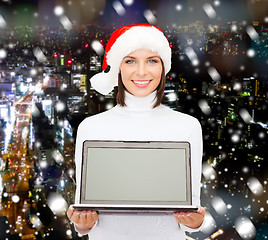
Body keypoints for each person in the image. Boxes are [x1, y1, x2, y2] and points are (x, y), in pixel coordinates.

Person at [67, 23, 205, 240]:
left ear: (163, 67)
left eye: (152, 61)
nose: (141, 71)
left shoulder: (188, 126)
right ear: (118, 67)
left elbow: (191, 209)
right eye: (130, 61)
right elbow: (86, 213)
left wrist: (196, 222)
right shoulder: (91, 127)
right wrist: (83, 223)